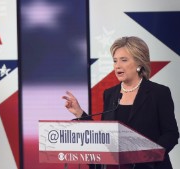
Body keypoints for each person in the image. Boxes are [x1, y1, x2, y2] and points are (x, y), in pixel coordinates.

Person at [62, 36, 179, 169]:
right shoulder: (110, 94)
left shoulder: (158, 92)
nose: (117, 66)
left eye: (124, 60)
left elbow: (171, 134)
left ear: (139, 63)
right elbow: (102, 136)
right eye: (115, 61)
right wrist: (79, 113)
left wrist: (151, 156)